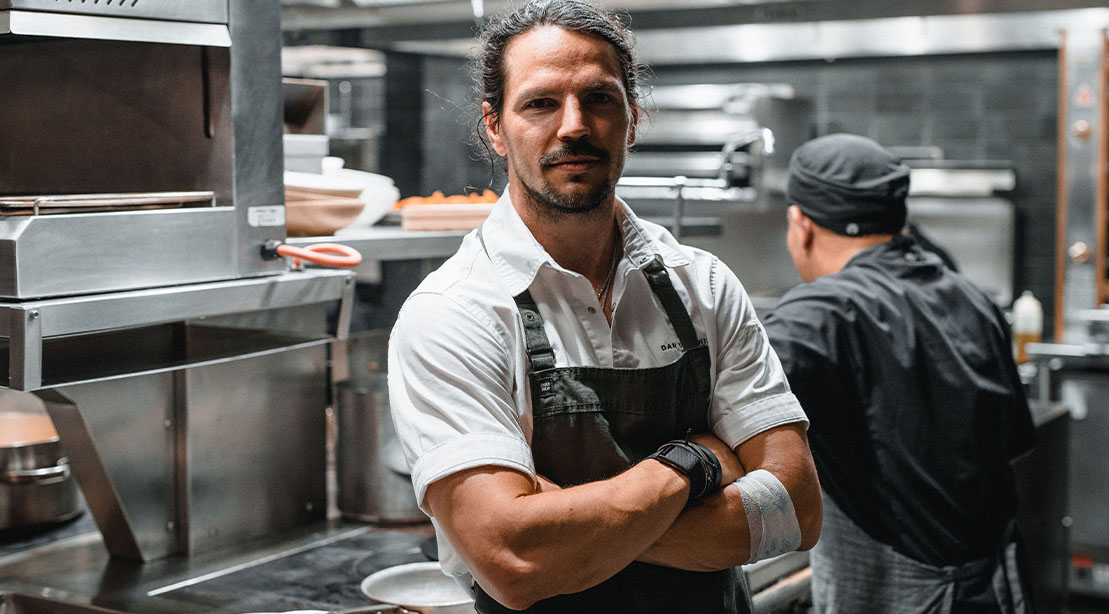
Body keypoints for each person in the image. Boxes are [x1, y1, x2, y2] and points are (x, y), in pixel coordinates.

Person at [387, 1, 821, 612]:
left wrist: (563, 524)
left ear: (632, 118)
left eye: (599, 99)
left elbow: (795, 511)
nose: (574, 126)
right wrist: (692, 463)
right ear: (494, 126)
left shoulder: (705, 285)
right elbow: (515, 562)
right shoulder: (453, 312)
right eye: (540, 103)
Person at [763, 133, 1037, 614]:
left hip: (898, 596)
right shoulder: (972, 298)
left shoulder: (815, 316)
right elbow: (1014, 445)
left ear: (800, 224)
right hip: (997, 585)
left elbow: (729, 416)